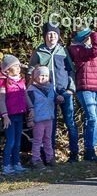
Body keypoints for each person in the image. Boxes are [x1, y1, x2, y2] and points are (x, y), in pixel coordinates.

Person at [29, 22, 78, 162]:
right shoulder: (38, 52)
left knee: (70, 122)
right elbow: (31, 71)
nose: (52, 36)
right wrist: (34, 88)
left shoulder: (63, 51)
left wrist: (70, 89)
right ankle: (49, 157)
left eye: (55, 34)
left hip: (64, 92)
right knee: (49, 125)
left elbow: (71, 70)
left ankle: (74, 154)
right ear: (45, 36)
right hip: (46, 95)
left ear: (58, 36)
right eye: (49, 34)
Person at [69, 26, 97, 162]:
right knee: (92, 118)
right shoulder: (77, 50)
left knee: (94, 120)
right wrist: (95, 33)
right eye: (88, 36)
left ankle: (90, 150)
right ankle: (89, 150)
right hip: (85, 88)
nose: (90, 38)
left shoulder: (89, 51)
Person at [1, 55, 31, 174]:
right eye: (15, 66)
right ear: (7, 69)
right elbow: (1, 100)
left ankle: (16, 162)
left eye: (19, 66)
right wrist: (5, 115)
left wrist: (31, 108)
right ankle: (6, 165)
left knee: (18, 140)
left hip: (20, 114)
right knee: (11, 141)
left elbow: (25, 95)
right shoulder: (3, 82)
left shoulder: (21, 81)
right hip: (9, 116)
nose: (18, 68)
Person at [27, 66, 56, 168]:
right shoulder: (31, 90)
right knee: (37, 140)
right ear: (35, 77)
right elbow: (29, 107)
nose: (44, 78)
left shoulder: (51, 88)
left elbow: (53, 99)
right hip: (38, 120)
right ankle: (35, 159)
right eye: (41, 75)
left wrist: (59, 98)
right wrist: (30, 120)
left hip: (49, 118)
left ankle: (49, 158)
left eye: (46, 76)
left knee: (48, 139)